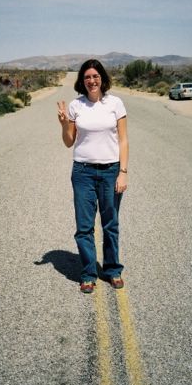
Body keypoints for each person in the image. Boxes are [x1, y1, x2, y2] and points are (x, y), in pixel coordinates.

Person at [57, 59, 129, 294]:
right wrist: (64, 124)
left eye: (95, 76)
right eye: (87, 77)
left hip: (110, 172)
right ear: (82, 80)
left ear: (102, 78)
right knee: (84, 227)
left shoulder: (115, 103)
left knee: (110, 224)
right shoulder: (76, 106)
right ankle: (88, 273)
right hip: (83, 173)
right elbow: (69, 142)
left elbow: (123, 140)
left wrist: (123, 172)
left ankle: (112, 269)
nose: (91, 80)